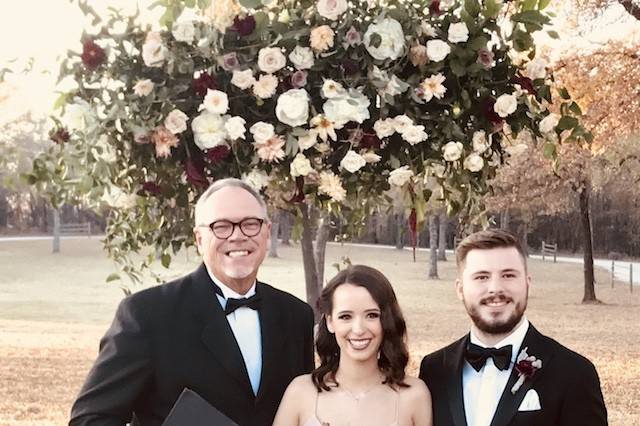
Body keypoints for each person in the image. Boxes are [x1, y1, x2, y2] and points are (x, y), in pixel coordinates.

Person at [69, 178, 315, 426]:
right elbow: (90, 418)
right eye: (221, 226)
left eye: (250, 224)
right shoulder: (147, 315)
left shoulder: (297, 316)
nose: (237, 236)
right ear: (199, 239)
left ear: (267, 232)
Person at [419, 229, 607, 426]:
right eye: (481, 277)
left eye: (508, 275)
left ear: (527, 284)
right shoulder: (434, 369)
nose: (495, 288)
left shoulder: (574, 373)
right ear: (460, 289)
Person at [274, 264, 433, 426]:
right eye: (345, 317)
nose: (358, 330)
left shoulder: (414, 396)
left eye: (372, 315)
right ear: (330, 321)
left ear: (387, 320)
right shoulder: (300, 393)